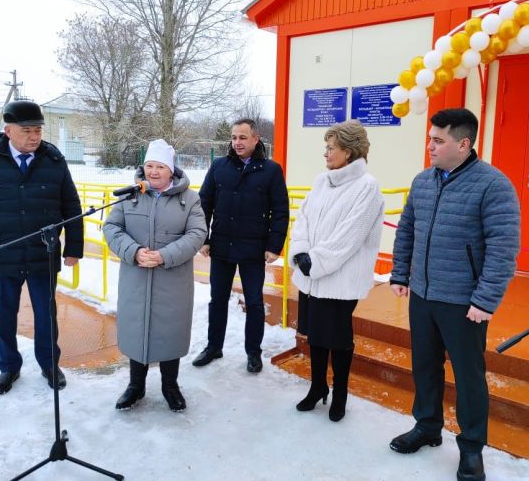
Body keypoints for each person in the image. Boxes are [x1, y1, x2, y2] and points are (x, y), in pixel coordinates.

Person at [389, 108, 520, 481]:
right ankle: (427, 426)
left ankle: (472, 447)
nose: (429, 146)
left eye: (438, 140)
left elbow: (503, 247)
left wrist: (485, 300)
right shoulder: (423, 181)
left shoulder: (493, 185)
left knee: (468, 376)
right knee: (425, 366)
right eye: (430, 138)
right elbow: (407, 230)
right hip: (424, 296)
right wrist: (401, 273)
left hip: (464, 303)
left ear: (463, 144)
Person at [0, 100, 84, 395]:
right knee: (5, 314)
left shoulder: (53, 160)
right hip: (4, 253)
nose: (34, 136)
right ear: (8, 130)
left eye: (38, 130)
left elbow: (71, 205)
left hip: (43, 253)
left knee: (46, 313)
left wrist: (73, 246)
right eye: (27, 130)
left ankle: (50, 364)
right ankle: (9, 367)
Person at [288, 120, 385, 422]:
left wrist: (315, 261)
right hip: (311, 276)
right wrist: (301, 250)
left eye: (331, 148)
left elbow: (349, 236)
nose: (326, 154)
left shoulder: (367, 188)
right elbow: (303, 217)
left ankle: (339, 394)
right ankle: (318, 387)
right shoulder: (322, 181)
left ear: (349, 151)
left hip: (339, 279)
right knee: (315, 336)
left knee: (338, 339)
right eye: (326, 147)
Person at [103, 139, 206, 412]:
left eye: (160, 166)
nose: (153, 172)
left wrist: (164, 256)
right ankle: (135, 386)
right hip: (136, 278)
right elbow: (112, 227)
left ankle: (170, 386)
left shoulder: (190, 199)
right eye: (149, 165)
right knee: (137, 331)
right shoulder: (130, 195)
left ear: (171, 170)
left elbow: (197, 234)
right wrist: (134, 251)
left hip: (171, 280)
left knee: (169, 332)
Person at [192, 118, 289, 373]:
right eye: (234, 137)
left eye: (243, 137)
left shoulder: (271, 170)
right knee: (218, 299)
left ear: (256, 139)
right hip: (222, 246)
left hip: (253, 249)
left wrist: (273, 246)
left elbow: (280, 211)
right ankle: (214, 346)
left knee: (254, 302)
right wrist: (204, 238)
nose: (237, 142)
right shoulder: (218, 167)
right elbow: (204, 204)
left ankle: (253, 352)